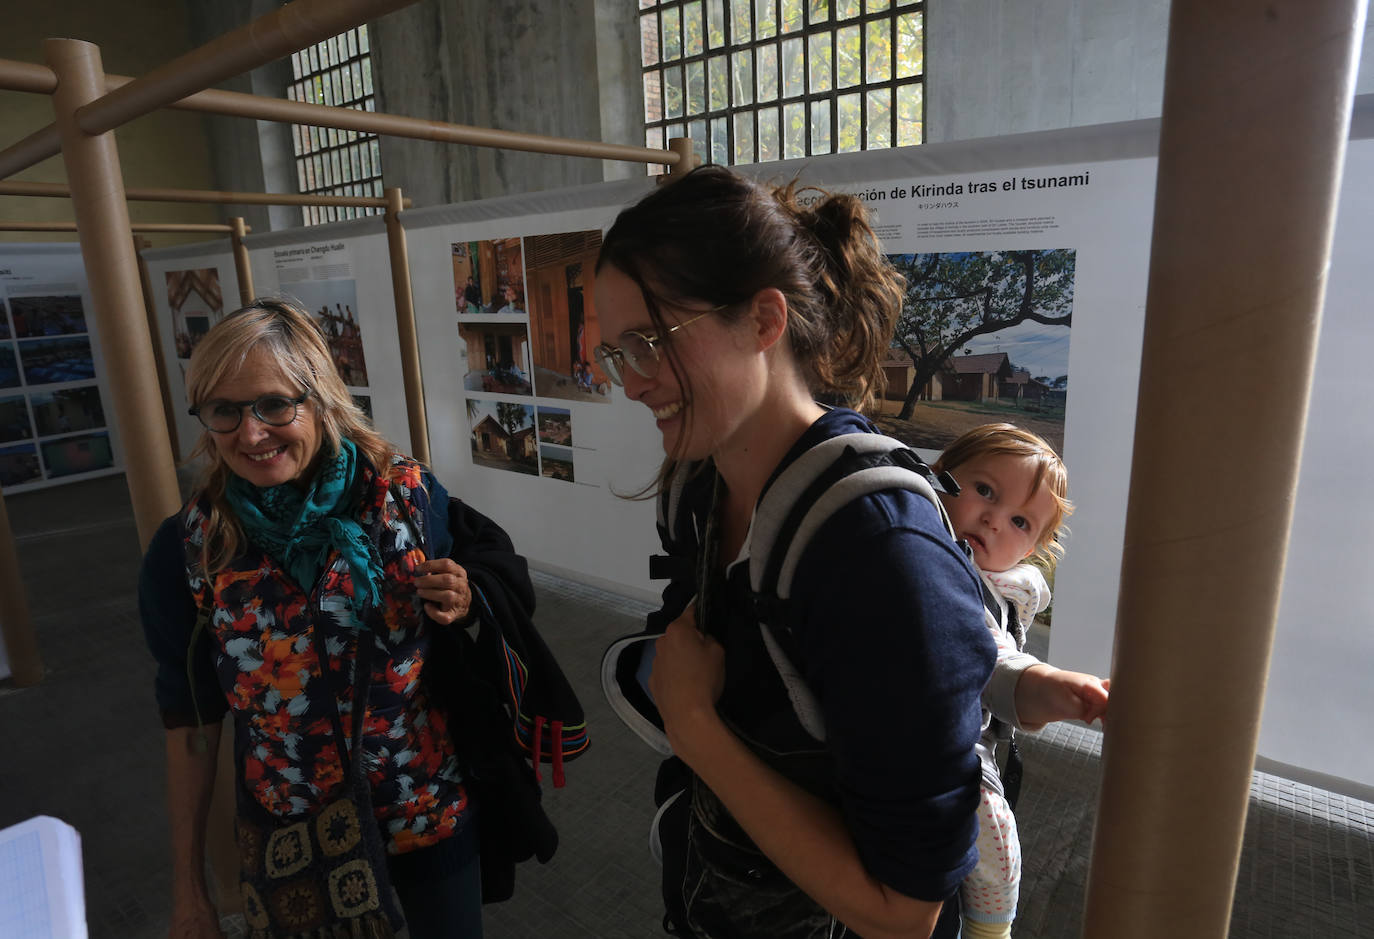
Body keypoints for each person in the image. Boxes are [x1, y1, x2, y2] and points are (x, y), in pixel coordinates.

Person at [593, 165, 996, 939]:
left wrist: (695, 725)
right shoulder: (696, 486)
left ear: (763, 320)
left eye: (649, 342)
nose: (633, 383)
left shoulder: (882, 557)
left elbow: (906, 911)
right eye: (617, 354)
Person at [139, 299, 483, 939]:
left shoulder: (405, 500)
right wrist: (189, 888)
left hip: (423, 813)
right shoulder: (190, 548)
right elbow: (189, 719)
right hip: (292, 838)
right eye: (224, 411)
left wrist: (464, 602)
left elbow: (475, 614)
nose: (250, 434)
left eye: (274, 404)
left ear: (321, 397)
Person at [931, 423, 1110, 939]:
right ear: (938, 476)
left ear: (1034, 548)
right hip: (915, 737)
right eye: (983, 490)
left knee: (992, 823)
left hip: (969, 732)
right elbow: (997, 663)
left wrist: (1062, 690)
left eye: (1019, 522)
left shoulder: (993, 586)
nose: (991, 518)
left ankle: (988, 926)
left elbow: (1001, 658)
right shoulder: (927, 557)